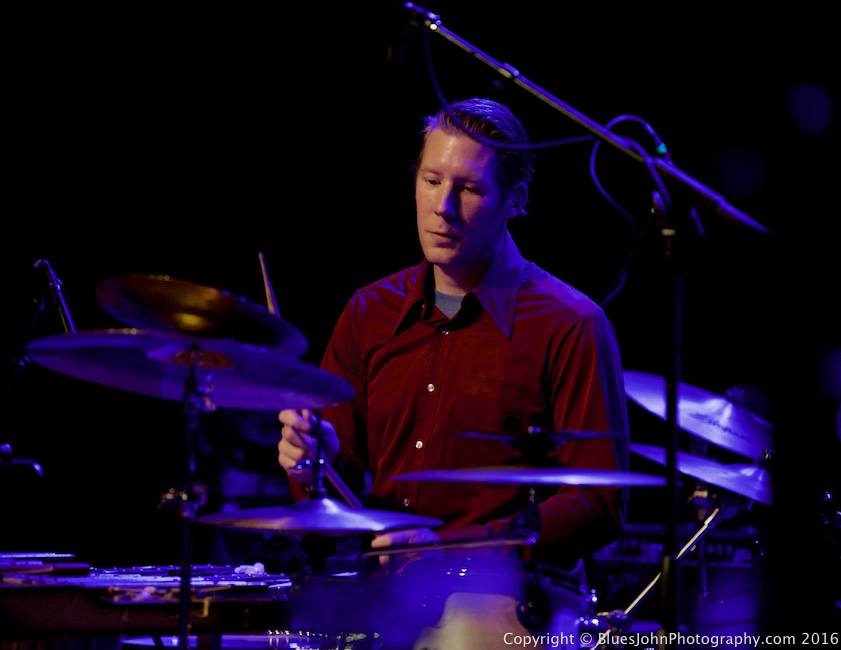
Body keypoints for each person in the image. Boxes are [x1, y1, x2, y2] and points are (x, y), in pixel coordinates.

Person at [277, 97, 631, 647]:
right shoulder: (368, 313)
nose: (443, 207)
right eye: (431, 179)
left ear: (514, 201)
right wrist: (309, 464)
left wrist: (447, 549)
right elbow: (329, 494)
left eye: (468, 188)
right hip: (382, 602)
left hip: (508, 606)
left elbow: (598, 503)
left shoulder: (573, 324)